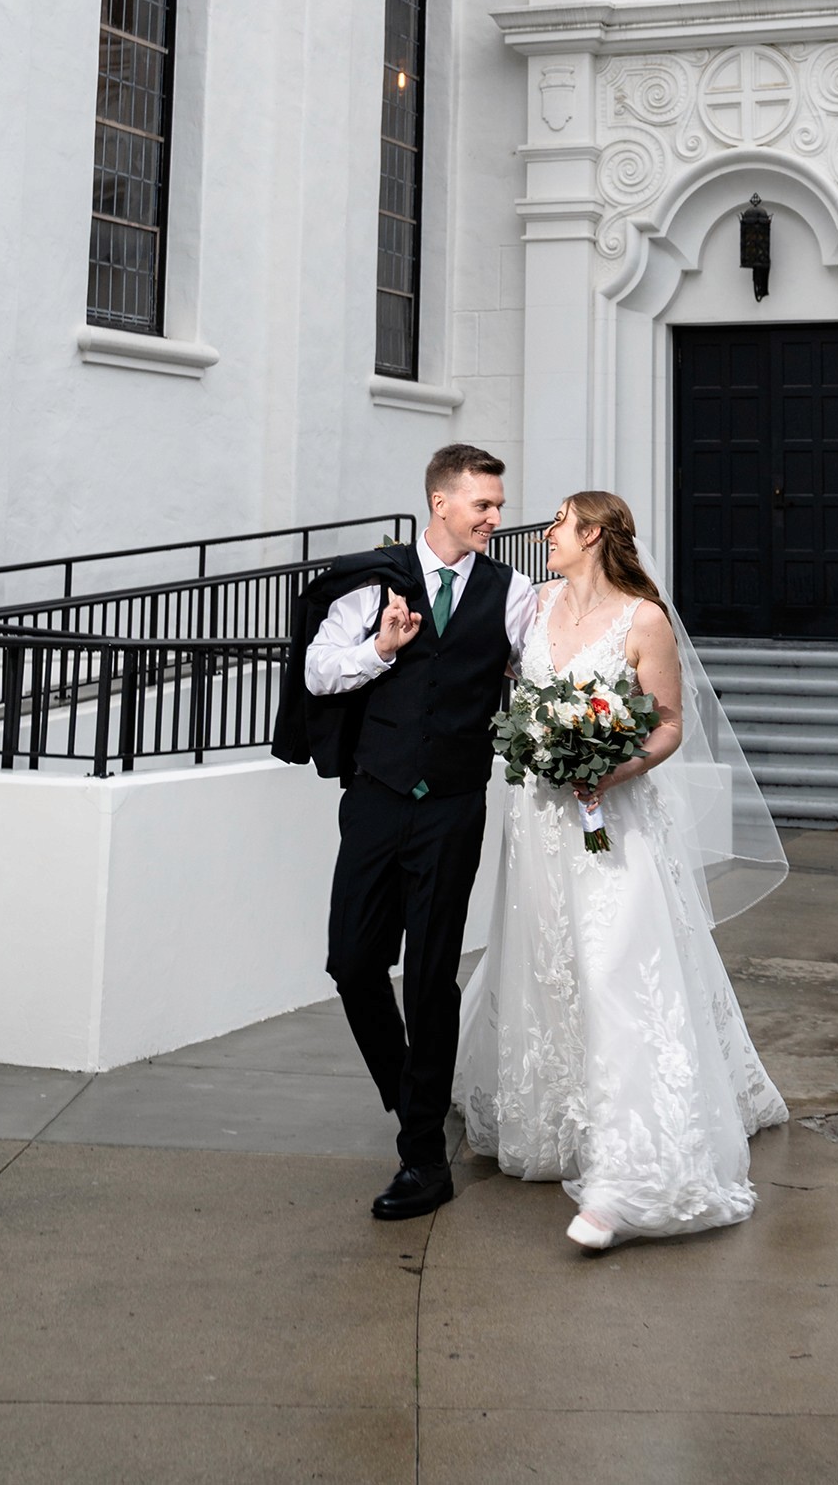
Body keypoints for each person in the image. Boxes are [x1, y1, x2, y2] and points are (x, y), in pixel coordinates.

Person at [453, 489, 788, 1250]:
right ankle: (554, 1116)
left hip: (612, 821)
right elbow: (503, 684)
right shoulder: (532, 606)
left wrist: (611, 768)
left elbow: (667, 724)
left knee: (616, 968)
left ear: (593, 533)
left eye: (558, 524)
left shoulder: (645, 620)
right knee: (546, 962)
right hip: (536, 820)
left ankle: (632, 1177)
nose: (545, 534)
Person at [297, 443, 539, 1222]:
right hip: (374, 798)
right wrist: (381, 648)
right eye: (483, 506)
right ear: (440, 502)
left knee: (431, 973)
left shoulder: (514, 592)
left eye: (497, 506)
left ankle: (423, 1155)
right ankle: (412, 1095)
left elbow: (541, 671)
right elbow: (317, 671)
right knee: (352, 962)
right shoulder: (374, 583)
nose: (495, 519)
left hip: (452, 806)